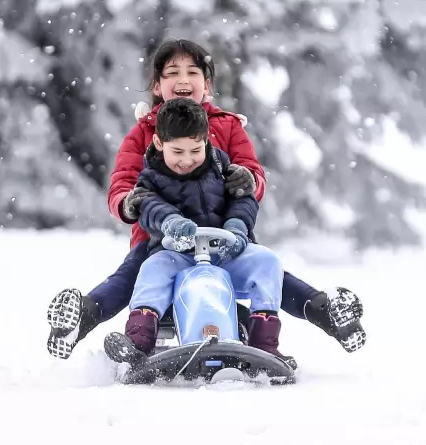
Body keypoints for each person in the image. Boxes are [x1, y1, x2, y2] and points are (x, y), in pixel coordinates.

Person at [45, 38, 365, 359]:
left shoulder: (226, 127)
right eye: (172, 73)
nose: (183, 79)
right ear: (157, 85)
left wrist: (247, 185)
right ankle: (82, 321)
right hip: (161, 239)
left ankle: (327, 313)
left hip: (225, 234)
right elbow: (124, 186)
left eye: (192, 72)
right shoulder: (144, 133)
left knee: (271, 273)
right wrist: (134, 205)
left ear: (206, 84)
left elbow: (251, 178)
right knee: (132, 277)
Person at [101, 97, 289, 364]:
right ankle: (139, 342)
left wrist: (237, 227)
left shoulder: (222, 166)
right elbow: (148, 205)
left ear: (206, 142)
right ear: (159, 143)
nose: (187, 160)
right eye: (177, 152)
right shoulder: (151, 176)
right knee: (151, 270)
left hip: (222, 251)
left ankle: (264, 344)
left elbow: (243, 198)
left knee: (268, 261)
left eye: (195, 150)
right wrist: (171, 223)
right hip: (177, 254)